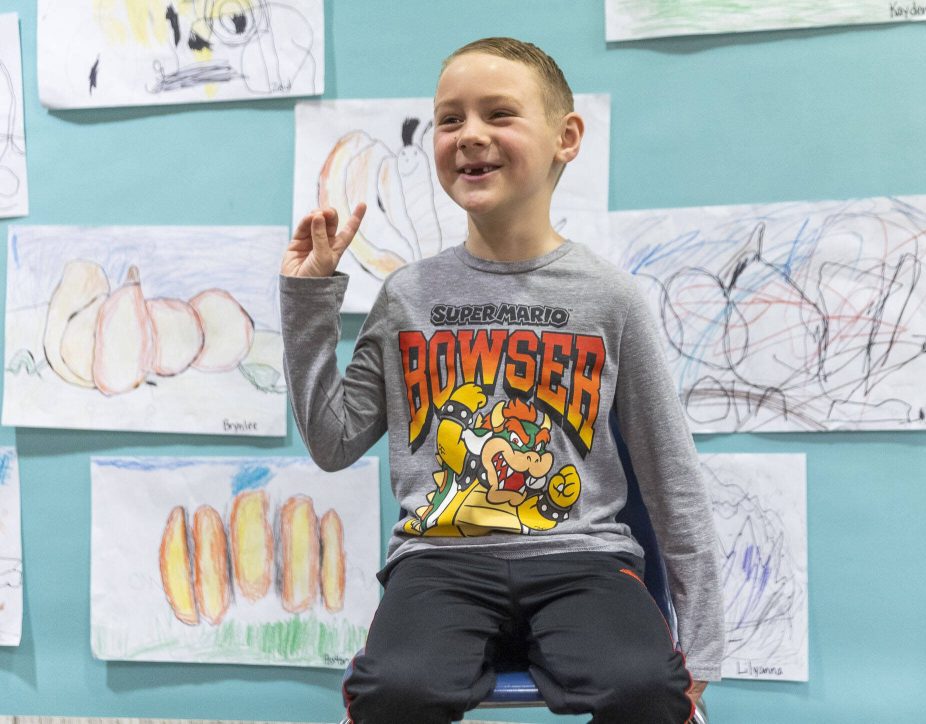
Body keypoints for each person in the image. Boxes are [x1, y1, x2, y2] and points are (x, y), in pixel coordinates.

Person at [280, 37, 723, 724]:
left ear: (565, 137)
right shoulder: (406, 295)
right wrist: (308, 301)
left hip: (582, 560)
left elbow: (672, 478)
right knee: (396, 690)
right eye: (450, 119)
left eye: (499, 114)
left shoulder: (610, 298)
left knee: (642, 687)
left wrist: (704, 650)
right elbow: (333, 442)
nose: (470, 136)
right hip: (438, 562)